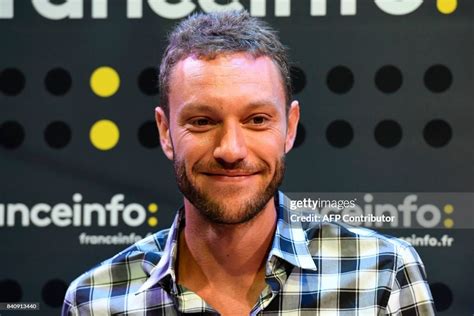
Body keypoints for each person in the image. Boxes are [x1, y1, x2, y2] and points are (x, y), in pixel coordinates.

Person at [62, 10, 435, 315]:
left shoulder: (382, 276)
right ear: (165, 132)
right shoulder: (95, 301)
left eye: (257, 120)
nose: (231, 149)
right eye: (202, 122)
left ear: (289, 128)